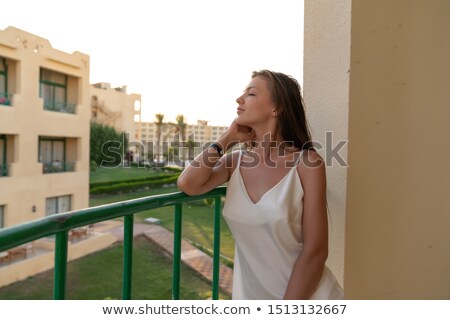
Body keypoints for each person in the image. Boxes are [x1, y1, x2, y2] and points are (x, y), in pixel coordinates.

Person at [177, 70, 343, 300]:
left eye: (251, 93)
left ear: (277, 108)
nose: (239, 99)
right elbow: (188, 183)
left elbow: (315, 252)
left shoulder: (307, 164)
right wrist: (227, 138)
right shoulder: (235, 163)